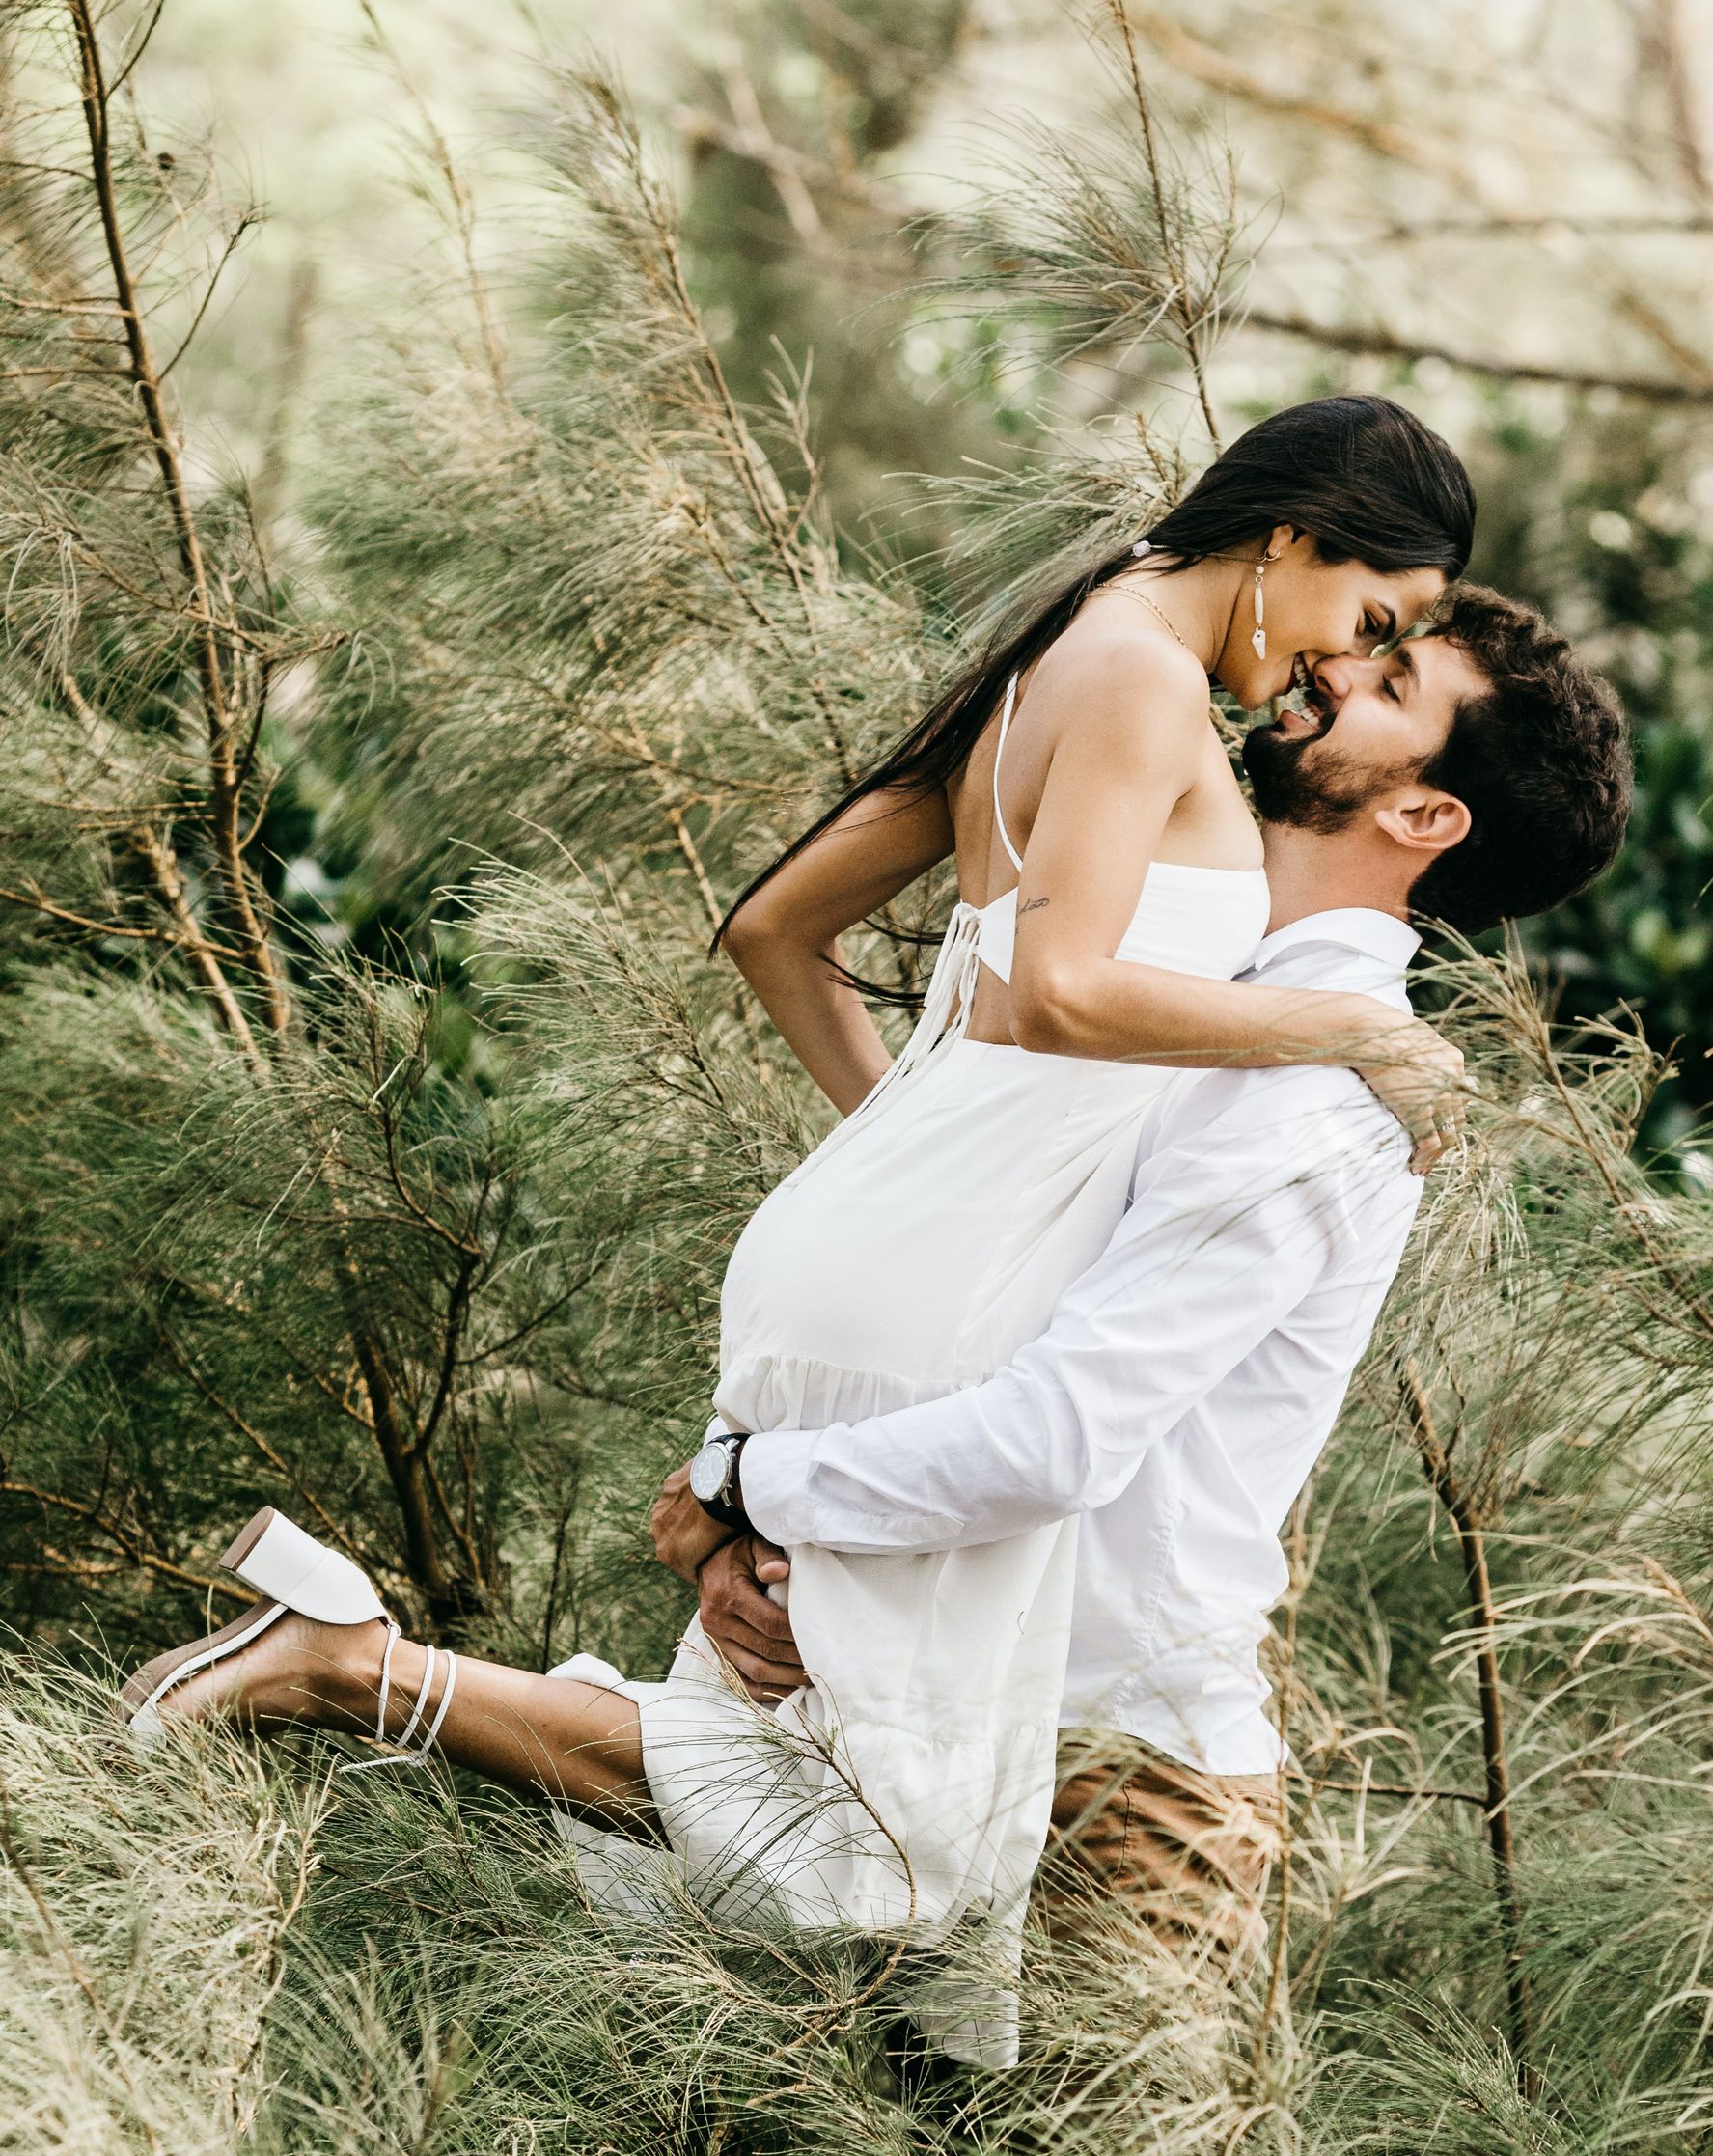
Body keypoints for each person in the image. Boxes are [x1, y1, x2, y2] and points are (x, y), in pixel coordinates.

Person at [122, 398, 1485, 2054]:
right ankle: (352, 1668)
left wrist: (923, 1170)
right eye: (1372, 617)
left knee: (841, 1772)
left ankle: (370, 1675)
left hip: (862, 1246)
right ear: (1290, 539)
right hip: (922, 1272)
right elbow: (1056, 991)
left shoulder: (1059, 656)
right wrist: (1358, 1033)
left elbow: (777, 929)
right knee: (892, 1835)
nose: (1343, 663)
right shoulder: (1137, 679)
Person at [648, 583, 1631, 2007]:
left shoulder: (1331, 1103)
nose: (1325, 673)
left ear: (1425, 817)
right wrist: (777, 1547)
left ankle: (347, 1671)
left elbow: (1058, 1441)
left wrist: (750, 1481)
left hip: (1126, 1798)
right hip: (929, 1715)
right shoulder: (1166, 987)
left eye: (1388, 677)